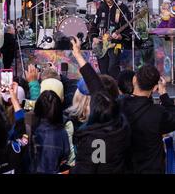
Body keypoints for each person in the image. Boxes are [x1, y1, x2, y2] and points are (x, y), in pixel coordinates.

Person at [71, 36, 175, 174]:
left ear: (134, 80)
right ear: (155, 88)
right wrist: (164, 95)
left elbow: (98, 90)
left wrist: (78, 55)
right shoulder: (158, 113)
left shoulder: (119, 105)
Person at [89, 0, 132, 80]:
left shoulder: (122, 8)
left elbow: (128, 27)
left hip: (116, 44)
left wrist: (121, 36)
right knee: (103, 69)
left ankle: (115, 89)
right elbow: (94, 26)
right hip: (101, 44)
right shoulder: (100, 8)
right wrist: (94, 37)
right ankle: (106, 90)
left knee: (113, 67)